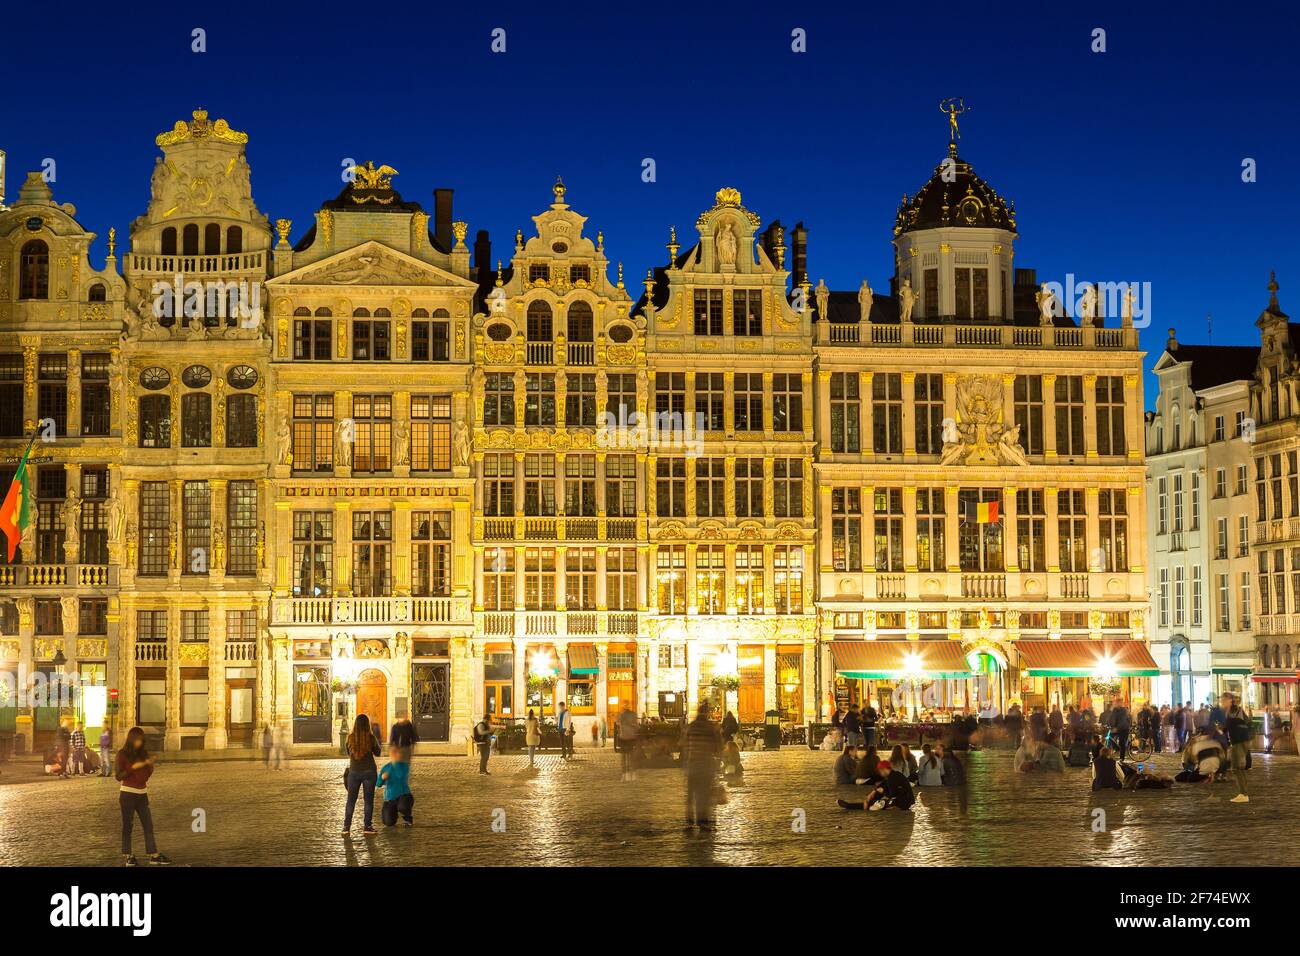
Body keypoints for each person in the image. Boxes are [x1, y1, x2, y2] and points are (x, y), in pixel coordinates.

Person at [115, 726, 171, 865]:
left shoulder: (143, 753)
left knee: (148, 824)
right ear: (131, 739)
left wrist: (148, 766)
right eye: (137, 740)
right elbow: (118, 775)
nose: (139, 743)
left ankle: (153, 854)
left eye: (141, 740)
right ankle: (128, 855)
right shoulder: (122, 754)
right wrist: (133, 768)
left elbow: (146, 774)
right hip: (127, 793)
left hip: (142, 794)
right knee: (128, 826)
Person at [682, 701, 722, 830]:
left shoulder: (691, 727)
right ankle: (702, 820)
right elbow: (718, 747)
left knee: (691, 793)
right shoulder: (711, 727)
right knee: (704, 793)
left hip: (692, 764)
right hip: (706, 764)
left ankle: (689, 819)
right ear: (708, 713)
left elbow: (685, 744)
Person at [342, 713, 382, 836]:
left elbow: (348, 752)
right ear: (367, 725)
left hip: (354, 772)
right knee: (368, 800)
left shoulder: (350, 738)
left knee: (351, 800)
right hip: (369, 772)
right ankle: (367, 826)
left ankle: (346, 828)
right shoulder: (371, 737)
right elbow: (378, 753)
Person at [838, 759, 915, 811]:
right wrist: (873, 792)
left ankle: (851, 806)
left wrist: (882, 793)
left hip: (903, 802)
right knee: (878, 794)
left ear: (884, 769)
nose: (880, 773)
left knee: (876, 803)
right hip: (903, 800)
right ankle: (863, 804)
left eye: (880, 771)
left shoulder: (892, 778)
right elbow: (883, 785)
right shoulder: (893, 775)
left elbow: (893, 794)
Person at [1222, 693, 1251, 803]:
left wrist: (1224, 728)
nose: (1222, 703)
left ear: (1230, 700)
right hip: (1240, 740)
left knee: (1236, 767)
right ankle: (1243, 793)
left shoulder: (1233, 710)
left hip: (1239, 741)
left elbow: (1232, 724)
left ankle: (1243, 794)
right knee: (1238, 768)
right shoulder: (1233, 710)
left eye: (1224, 700)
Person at [376, 744, 414, 827]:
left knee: (403, 806)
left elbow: (400, 775)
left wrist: (395, 763)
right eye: (393, 753)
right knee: (388, 822)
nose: (396, 755)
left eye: (397, 753)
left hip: (404, 796)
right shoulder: (386, 767)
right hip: (390, 798)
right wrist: (382, 778)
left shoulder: (404, 766)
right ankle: (393, 813)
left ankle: (408, 817)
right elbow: (378, 784)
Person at [617, 704, 639, 781]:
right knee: (631, 756)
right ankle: (632, 774)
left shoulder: (620, 715)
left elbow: (617, 723)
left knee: (624, 757)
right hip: (630, 738)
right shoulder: (633, 714)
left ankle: (625, 775)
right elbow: (636, 726)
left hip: (624, 738)